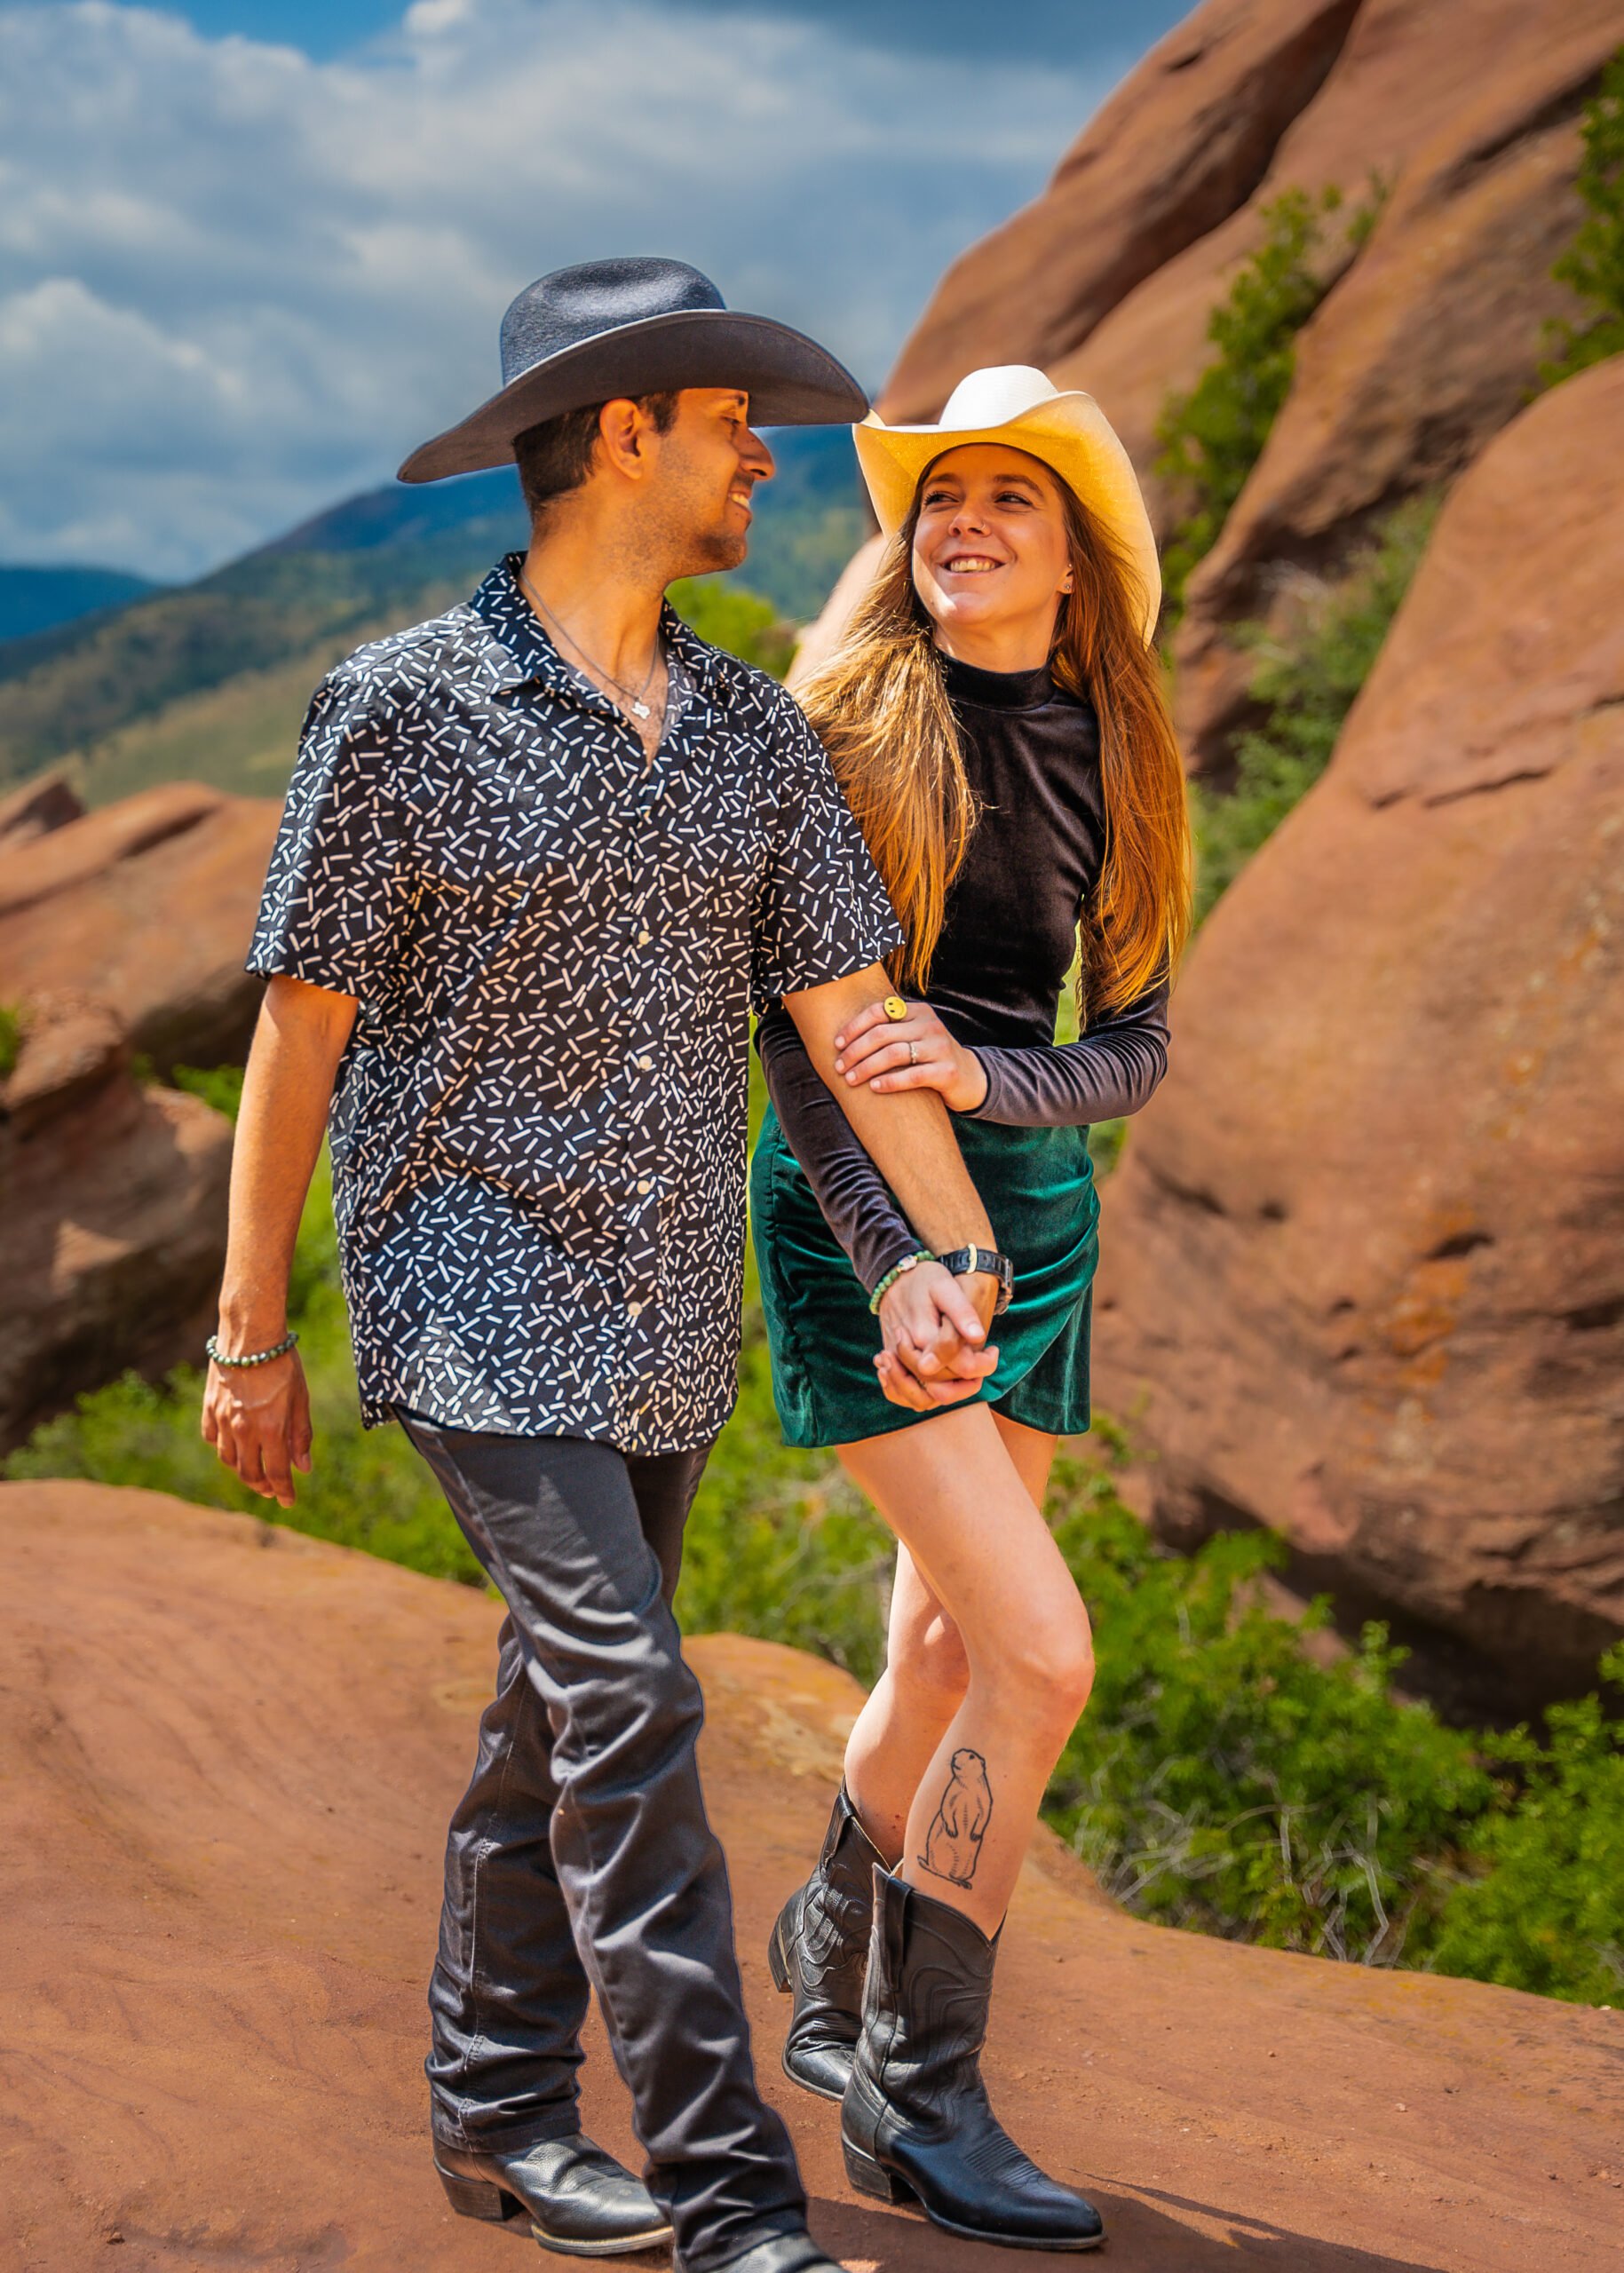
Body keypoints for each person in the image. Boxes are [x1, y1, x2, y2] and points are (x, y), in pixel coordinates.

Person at [201, 258, 1010, 2273]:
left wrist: (941, 1251)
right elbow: (299, 1028)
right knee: (633, 1699)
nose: (765, 458)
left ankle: (493, 2112)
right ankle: (733, 2198)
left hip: (660, 1309)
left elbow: (842, 1022)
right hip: (464, 1282)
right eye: (734, 423)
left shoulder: (749, 737)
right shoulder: (398, 708)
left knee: (555, 1717)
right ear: (622, 435)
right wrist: (249, 1332)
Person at [752, 365, 1192, 2254]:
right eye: (941, 495)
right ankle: (918, 2093)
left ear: (1073, 552)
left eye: (1011, 495)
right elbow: (799, 1041)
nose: (966, 522)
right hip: (859, 1215)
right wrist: (893, 1252)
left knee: (941, 1649)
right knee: (1041, 1654)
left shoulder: (1122, 747)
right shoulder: (845, 728)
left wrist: (991, 1080)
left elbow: (1136, 1045)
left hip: (1036, 1220)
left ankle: (832, 1939)